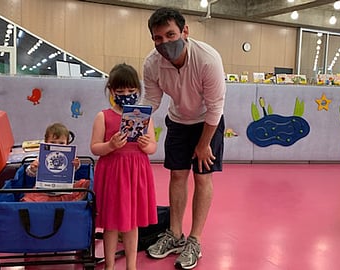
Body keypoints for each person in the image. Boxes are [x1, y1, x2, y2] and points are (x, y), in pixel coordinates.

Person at [142, 7, 226, 270]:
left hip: (207, 122)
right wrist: (132, 123)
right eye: (158, 38)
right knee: (177, 175)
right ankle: (174, 235)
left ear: (185, 32)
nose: (165, 43)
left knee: (202, 176)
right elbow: (151, 100)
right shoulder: (152, 63)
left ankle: (194, 240)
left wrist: (203, 145)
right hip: (178, 121)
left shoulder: (208, 60)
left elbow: (215, 107)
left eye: (170, 35)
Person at [90, 63, 158, 270]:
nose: (126, 95)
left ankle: (132, 266)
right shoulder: (103, 116)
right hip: (112, 173)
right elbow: (94, 147)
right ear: (111, 91)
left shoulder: (145, 117)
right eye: (120, 91)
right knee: (110, 224)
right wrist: (110, 145)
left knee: (132, 222)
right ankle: (109, 265)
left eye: (131, 91)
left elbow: (153, 147)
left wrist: (147, 145)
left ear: (138, 90)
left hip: (136, 172)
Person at [22, 122, 87, 202]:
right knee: (28, 198)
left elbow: (73, 170)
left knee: (86, 183)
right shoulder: (42, 156)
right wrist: (32, 168)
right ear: (46, 142)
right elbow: (29, 173)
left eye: (61, 143)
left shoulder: (70, 156)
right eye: (52, 142)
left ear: (67, 143)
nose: (57, 146)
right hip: (44, 191)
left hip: (64, 190)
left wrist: (76, 165)